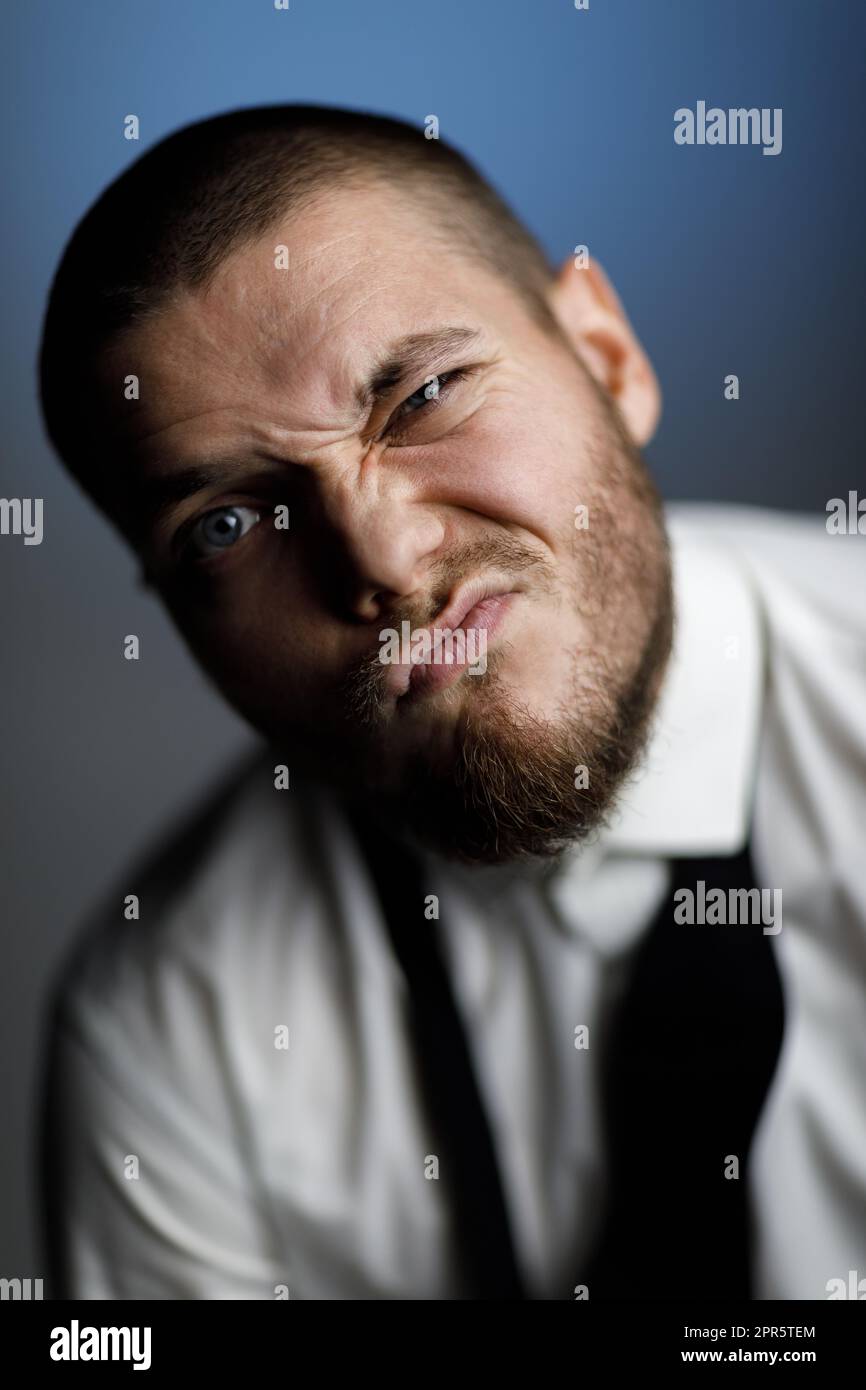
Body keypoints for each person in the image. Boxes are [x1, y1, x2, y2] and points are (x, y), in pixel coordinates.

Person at [37, 105, 866, 1300]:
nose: (374, 557)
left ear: (607, 358)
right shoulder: (169, 1040)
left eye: (421, 397)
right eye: (223, 526)